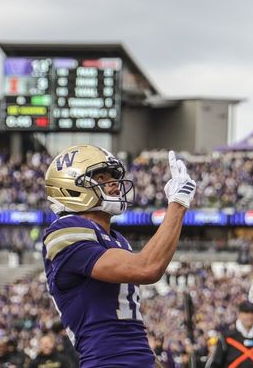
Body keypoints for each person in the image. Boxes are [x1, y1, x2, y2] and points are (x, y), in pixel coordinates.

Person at [42, 146, 196, 367]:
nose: (113, 183)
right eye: (101, 177)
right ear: (71, 186)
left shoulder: (116, 239)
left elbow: (129, 330)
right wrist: (178, 204)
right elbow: (147, 268)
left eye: (114, 177)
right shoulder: (64, 231)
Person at [206, 300, 253, 368]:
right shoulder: (227, 338)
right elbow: (216, 363)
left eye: (252, 313)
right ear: (239, 314)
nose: (250, 316)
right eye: (246, 312)